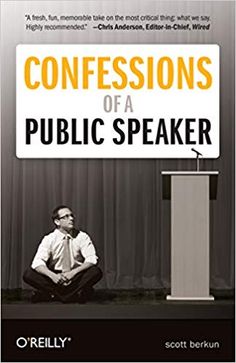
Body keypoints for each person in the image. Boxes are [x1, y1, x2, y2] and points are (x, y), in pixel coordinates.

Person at [23, 205, 102, 303]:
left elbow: (91, 259)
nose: (71, 219)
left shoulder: (82, 236)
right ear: (57, 222)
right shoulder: (49, 239)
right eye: (66, 217)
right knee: (28, 274)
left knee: (95, 271)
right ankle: (71, 295)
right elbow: (37, 262)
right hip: (55, 277)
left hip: (75, 276)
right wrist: (53, 276)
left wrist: (72, 273)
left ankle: (54, 295)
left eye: (71, 215)